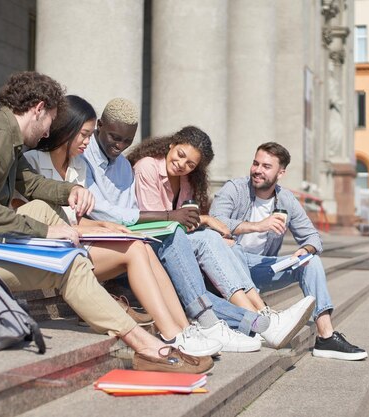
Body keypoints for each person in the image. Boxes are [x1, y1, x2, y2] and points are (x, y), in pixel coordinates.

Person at [0, 72, 212, 373]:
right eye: (49, 121)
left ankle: (157, 331)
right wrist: (47, 231)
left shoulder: (2, 132)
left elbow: (32, 185)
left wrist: (72, 190)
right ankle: (146, 346)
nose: (47, 132)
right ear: (38, 109)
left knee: (43, 208)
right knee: (66, 263)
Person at [84, 98, 315, 351]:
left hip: (152, 244)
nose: (182, 164)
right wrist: (197, 220)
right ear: (171, 145)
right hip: (140, 245)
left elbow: (157, 218)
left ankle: (261, 319)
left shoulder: (132, 170)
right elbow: (146, 220)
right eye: (180, 155)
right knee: (202, 243)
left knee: (214, 245)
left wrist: (194, 221)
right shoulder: (140, 166)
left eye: (190, 164)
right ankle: (257, 322)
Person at [22, 95, 222, 357]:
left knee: (141, 247)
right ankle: (173, 334)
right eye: (84, 134)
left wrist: (106, 226)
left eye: (89, 134)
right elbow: (34, 216)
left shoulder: (78, 166)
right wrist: (104, 226)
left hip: (79, 242)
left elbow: (84, 216)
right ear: (67, 130)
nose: (87, 141)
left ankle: (182, 330)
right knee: (137, 249)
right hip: (51, 246)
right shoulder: (34, 161)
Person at [209, 142, 368, 361]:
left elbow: (313, 238)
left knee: (311, 262)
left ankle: (326, 336)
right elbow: (215, 222)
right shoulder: (234, 189)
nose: (258, 170)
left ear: (280, 173)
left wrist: (305, 250)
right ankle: (263, 318)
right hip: (227, 267)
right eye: (256, 163)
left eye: (266, 166)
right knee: (232, 248)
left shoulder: (285, 199)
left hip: (259, 268)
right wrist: (257, 225)